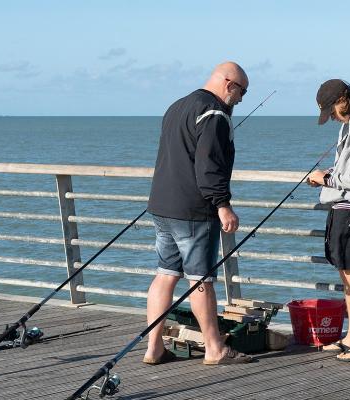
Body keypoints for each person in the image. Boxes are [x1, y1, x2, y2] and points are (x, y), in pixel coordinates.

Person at [143, 61, 251, 366]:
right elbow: (208, 164)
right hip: (193, 210)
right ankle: (215, 349)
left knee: (165, 275)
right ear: (229, 84)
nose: (242, 100)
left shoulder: (178, 106)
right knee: (200, 279)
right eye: (242, 92)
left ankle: (153, 347)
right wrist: (222, 204)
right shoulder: (214, 113)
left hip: (163, 205)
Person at [308, 79, 350, 361]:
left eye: (332, 112)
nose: (332, 118)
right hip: (340, 202)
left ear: (343, 100)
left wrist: (328, 178)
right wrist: (328, 176)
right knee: (343, 270)